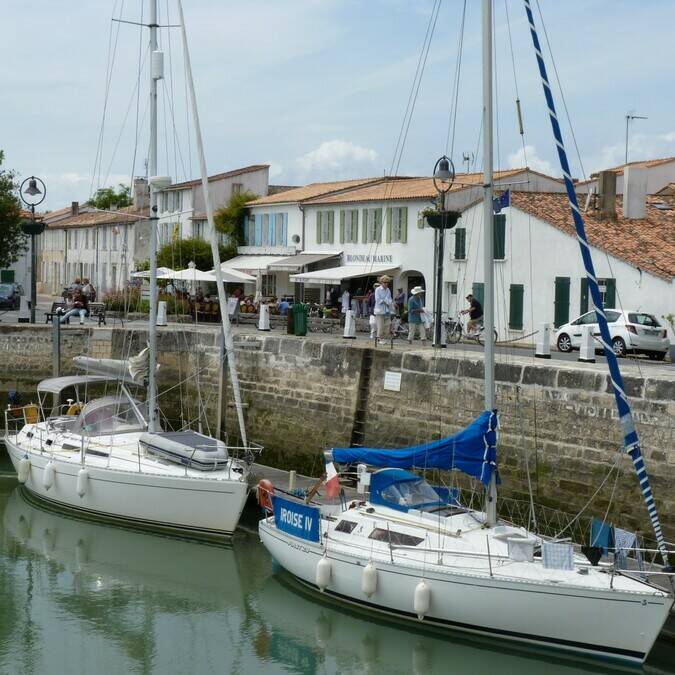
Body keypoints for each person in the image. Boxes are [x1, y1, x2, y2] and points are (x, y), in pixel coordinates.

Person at [373, 275, 394, 341]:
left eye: (387, 282)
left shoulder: (388, 290)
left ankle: (382, 337)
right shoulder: (378, 289)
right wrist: (385, 300)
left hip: (387, 310)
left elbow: (390, 300)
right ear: (381, 282)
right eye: (384, 282)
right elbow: (378, 300)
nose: (386, 284)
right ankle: (379, 338)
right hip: (379, 310)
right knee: (380, 325)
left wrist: (385, 300)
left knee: (388, 324)